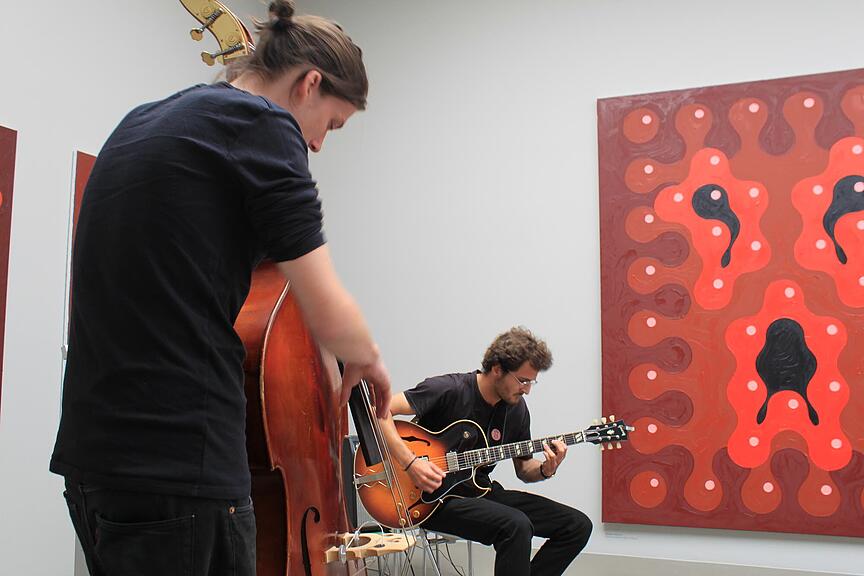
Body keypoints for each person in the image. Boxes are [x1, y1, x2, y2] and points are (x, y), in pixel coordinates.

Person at [49, 2, 390, 575]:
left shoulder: (141, 121)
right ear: (309, 83)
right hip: (181, 467)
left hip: (95, 462)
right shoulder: (263, 125)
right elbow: (326, 306)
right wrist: (370, 359)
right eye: (331, 125)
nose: (318, 146)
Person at [379, 326, 592, 576]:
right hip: (430, 499)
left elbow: (524, 469)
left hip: (480, 491)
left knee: (576, 526)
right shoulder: (450, 389)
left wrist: (546, 469)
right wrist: (411, 463)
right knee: (516, 525)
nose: (527, 390)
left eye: (531, 382)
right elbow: (379, 412)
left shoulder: (516, 410)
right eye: (522, 380)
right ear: (497, 369)